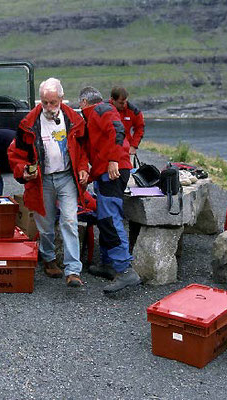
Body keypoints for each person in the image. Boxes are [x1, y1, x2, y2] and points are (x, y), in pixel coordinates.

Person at [7, 78, 88, 288]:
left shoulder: (74, 120)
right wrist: (23, 171)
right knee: (45, 224)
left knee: (69, 221)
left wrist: (82, 168)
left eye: (52, 102)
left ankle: (73, 270)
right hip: (41, 180)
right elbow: (16, 154)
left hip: (66, 177)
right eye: (44, 102)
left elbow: (82, 150)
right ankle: (49, 258)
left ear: (61, 99)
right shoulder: (28, 124)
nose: (48, 107)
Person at [79, 86, 141, 294]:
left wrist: (113, 160)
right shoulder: (96, 114)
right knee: (105, 216)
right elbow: (100, 148)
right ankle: (108, 264)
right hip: (108, 170)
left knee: (111, 218)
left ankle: (124, 270)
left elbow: (118, 129)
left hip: (114, 169)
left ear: (84, 103)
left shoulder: (100, 110)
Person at [109, 86, 145, 156]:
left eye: (125, 102)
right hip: (107, 148)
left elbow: (140, 128)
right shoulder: (102, 109)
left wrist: (133, 146)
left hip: (125, 149)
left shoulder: (134, 111)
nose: (124, 105)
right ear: (112, 100)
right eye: (121, 103)